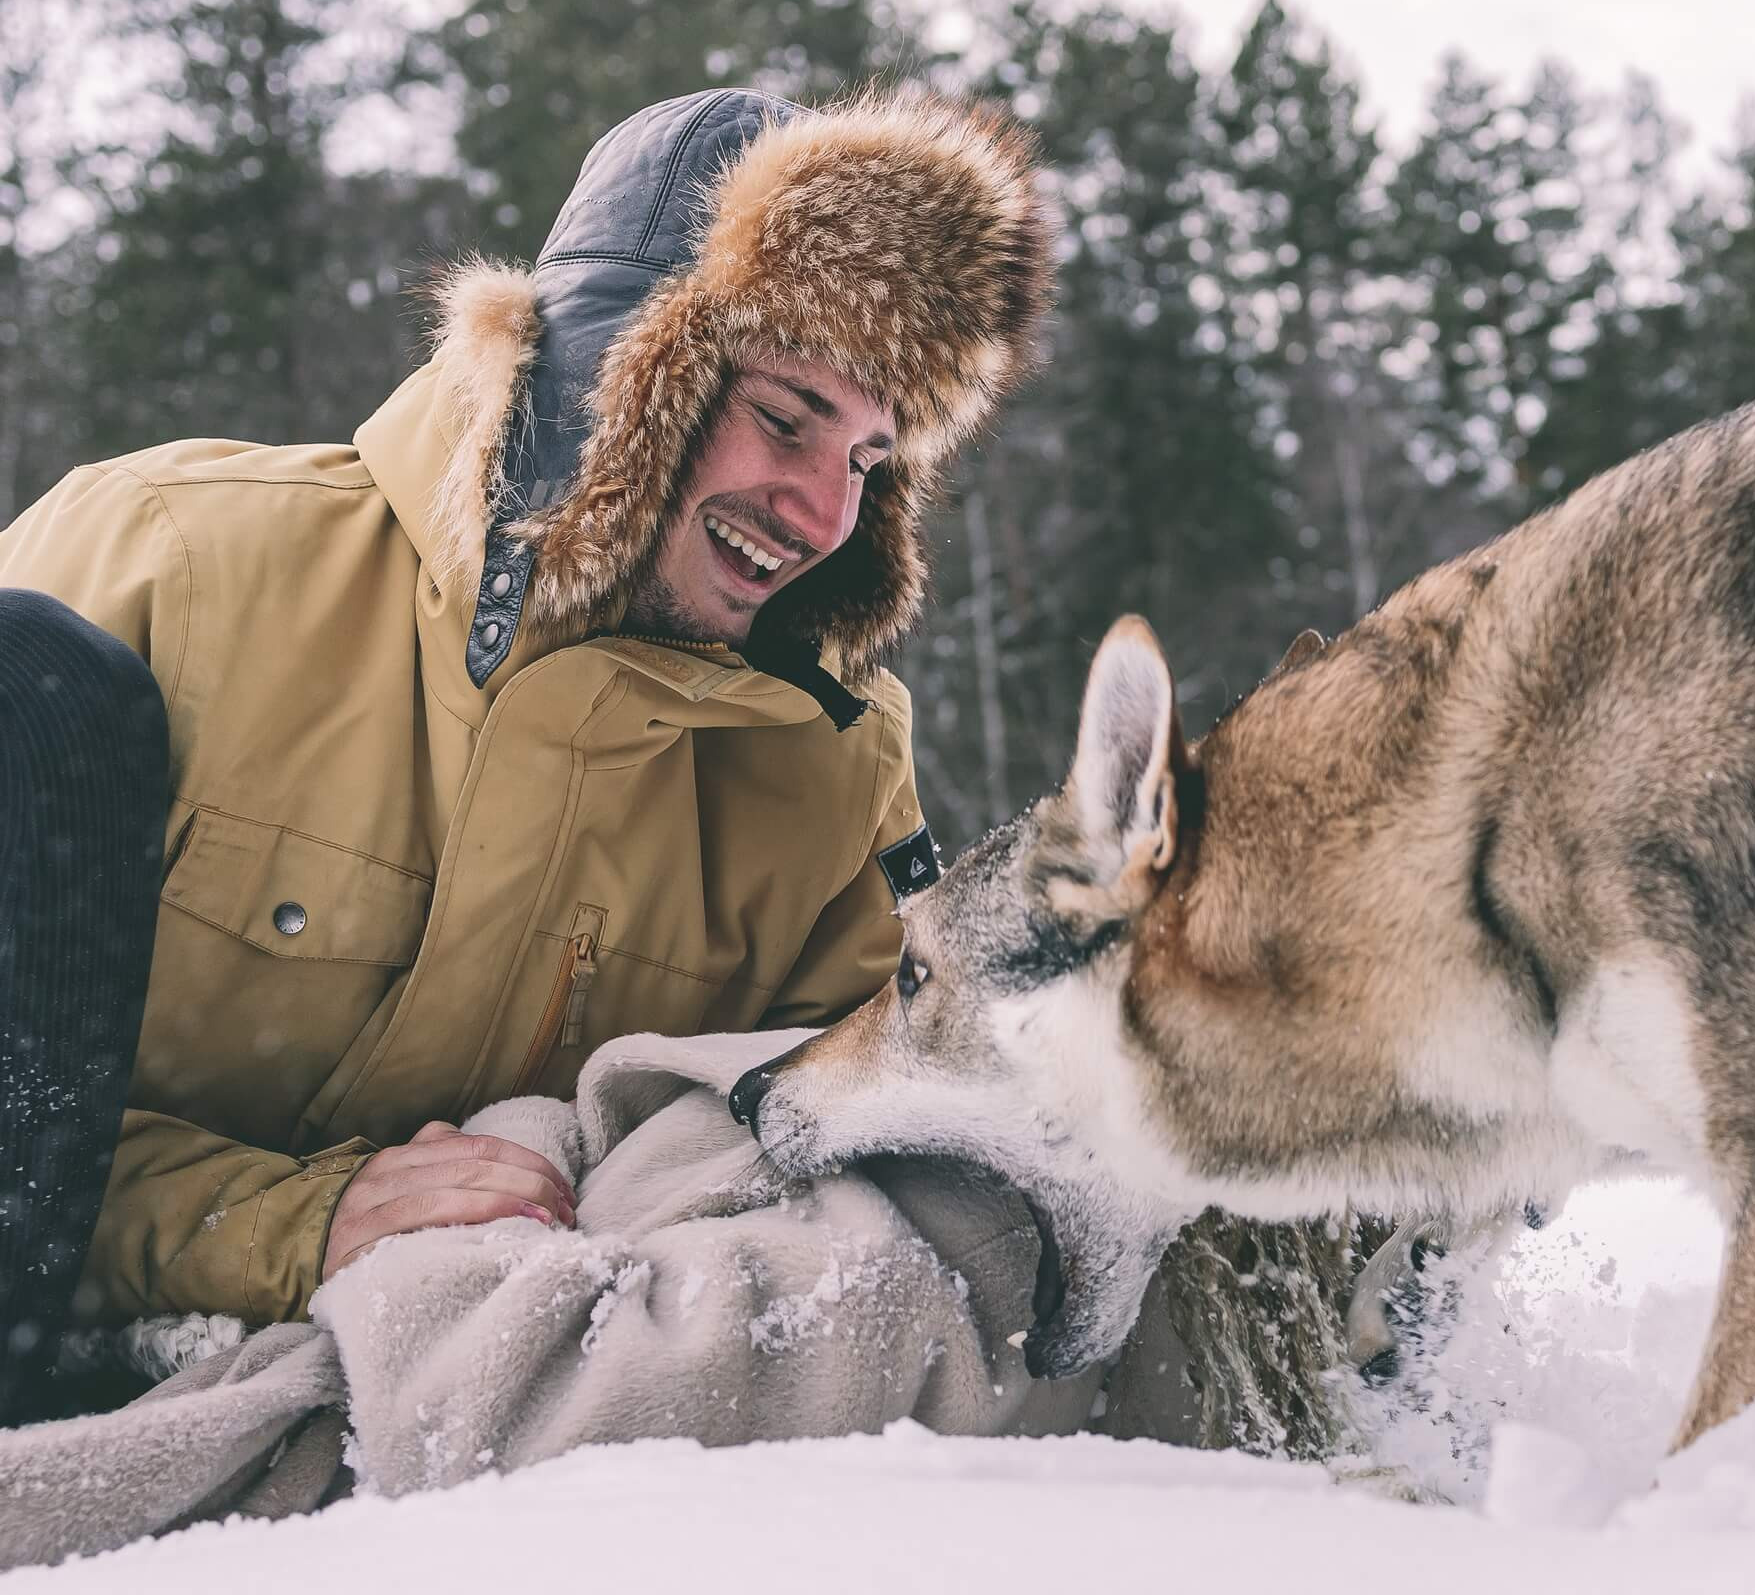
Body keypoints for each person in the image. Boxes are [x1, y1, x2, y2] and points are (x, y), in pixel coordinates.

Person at [0, 86, 1056, 1423]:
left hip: (470, 1455)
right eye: (787, 419)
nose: (821, 511)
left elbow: (871, 1172)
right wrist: (284, 1224)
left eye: (869, 457)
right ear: (619, 374)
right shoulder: (174, 560)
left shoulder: (826, 771)